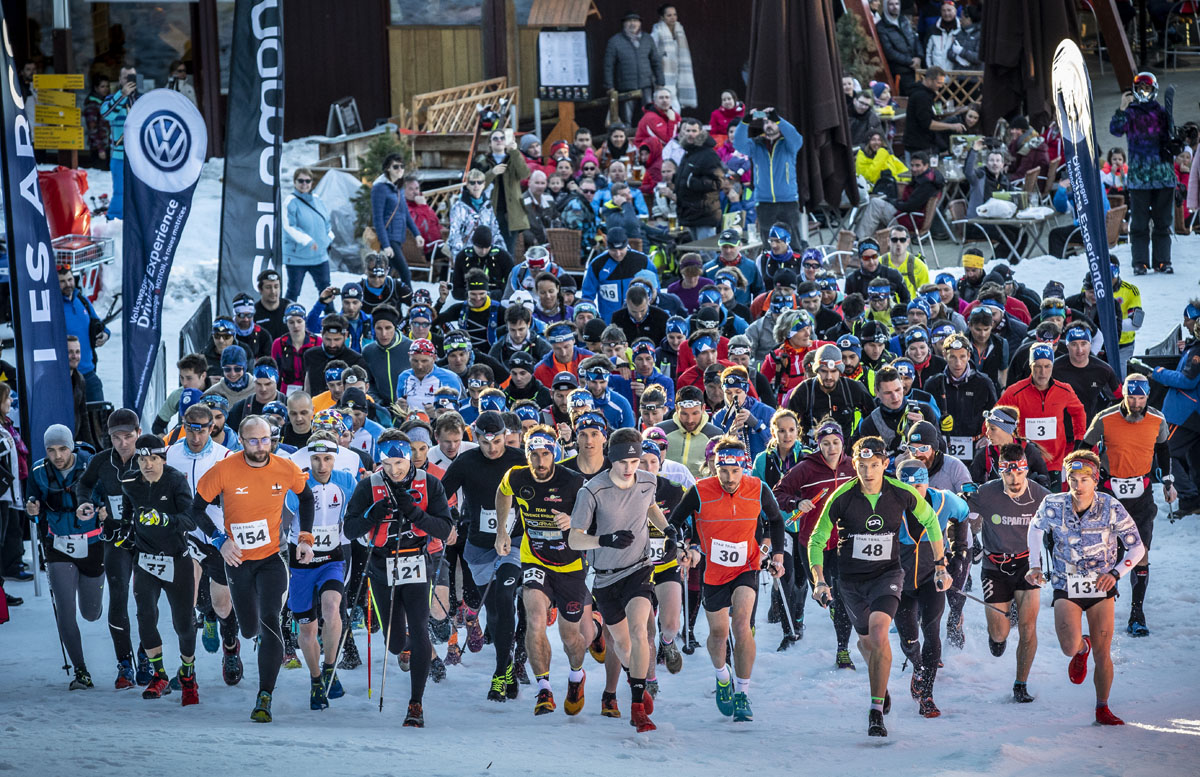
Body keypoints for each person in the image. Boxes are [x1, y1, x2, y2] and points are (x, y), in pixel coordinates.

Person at [808, 436, 949, 737]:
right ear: (854, 465)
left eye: (874, 465)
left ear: (886, 464)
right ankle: (880, 686)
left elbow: (931, 522)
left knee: (879, 630)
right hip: (851, 581)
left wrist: (940, 561)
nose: (868, 472)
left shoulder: (901, 492)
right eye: (862, 465)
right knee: (866, 643)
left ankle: (875, 711)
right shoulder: (842, 496)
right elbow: (817, 539)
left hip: (887, 575)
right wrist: (819, 579)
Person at [191, 415, 315, 723]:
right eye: (253, 441)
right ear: (241, 441)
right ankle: (238, 634)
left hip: (273, 558)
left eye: (265, 440)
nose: (260, 447)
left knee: (270, 619)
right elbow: (195, 509)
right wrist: (220, 540)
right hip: (237, 560)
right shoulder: (223, 470)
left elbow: (306, 497)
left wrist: (305, 538)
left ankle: (265, 695)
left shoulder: (284, 467)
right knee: (250, 629)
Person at [1026, 450, 1144, 726]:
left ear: (1096, 480)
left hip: (1101, 585)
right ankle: (1081, 649)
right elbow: (1034, 530)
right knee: (1068, 646)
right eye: (1072, 479)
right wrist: (1034, 565)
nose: (1078, 486)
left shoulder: (1111, 506)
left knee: (1104, 652)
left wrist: (1116, 573)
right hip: (1066, 583)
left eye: (1084, 479)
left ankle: (1102, 707)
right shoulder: (1053, 504)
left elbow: (1137, 546)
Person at [342, 430, 452, 727]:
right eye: (388, 465)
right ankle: (403, 647)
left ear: (410, 458)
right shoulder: (369, 486)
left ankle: (415, 703)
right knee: (393, 641)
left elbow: (444, 529)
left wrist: (414, 513)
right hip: (381, 564)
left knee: (419, 629)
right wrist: (370, 516)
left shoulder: (430, 484)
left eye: (400, 464)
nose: (394, 471)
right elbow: (350, 529)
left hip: (417, 562)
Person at [674, 437, 785, 722]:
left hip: (746, 567)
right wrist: (683, 548)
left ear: (744, 468)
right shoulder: (699, 491)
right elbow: (675, 522)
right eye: (723, 471)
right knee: (718, 635)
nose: (729, 478)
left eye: (736, 471)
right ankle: (723, 677)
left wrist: (777, 555)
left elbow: (776, 520)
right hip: (714, 572)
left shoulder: (758, 488)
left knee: (742, 625)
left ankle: (742, 692)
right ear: (714, 466)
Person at [568, 427, 670, 732]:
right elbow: (574, 539)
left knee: (641, 629)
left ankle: (637, 704)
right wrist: (605, 540)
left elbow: (649, 506)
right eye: (623, 462)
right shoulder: (592, 492)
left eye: (635, 462)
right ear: (611, 460)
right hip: (605, 578)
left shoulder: (648, 481)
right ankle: (633, 676)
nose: (629, 469)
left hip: (639, 568)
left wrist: (669, 530)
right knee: (624, 646)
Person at [494, 426, 593, 715]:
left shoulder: (574, 481)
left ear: (555, 453)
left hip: (570, 564)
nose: (539, 462)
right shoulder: (516, 476)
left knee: (570, 636)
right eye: (533, 455)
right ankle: (544, 690)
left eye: (545, 455)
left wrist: (574, 521)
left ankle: (576, 675)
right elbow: (503, 494)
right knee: (535, 620)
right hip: (534, 558)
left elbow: (595, 517)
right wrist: (502, 529)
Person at [439, 412, 527, 700]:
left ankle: (501, 672)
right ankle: (509, 662)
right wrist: (446, 523)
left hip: (513, 543)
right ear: (475, 438)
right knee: (496, 612)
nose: (492, 448)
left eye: (498, 441)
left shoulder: (520, 458)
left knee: (505, 598)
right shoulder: (466, 462)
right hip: (478, 548)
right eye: (485, 442)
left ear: (505, 436)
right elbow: (439, 496)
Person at [1082, 373, 1174, 636]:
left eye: (1140, 397)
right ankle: (1100, 606)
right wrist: (1083, 481)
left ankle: (1137, 612)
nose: (1135, 403)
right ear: (1123, 395)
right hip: (1109, 492)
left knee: (1140, 551)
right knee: (1107, 551)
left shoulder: (1157, 419)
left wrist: (1168, 482)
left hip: (1142, 493)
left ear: (1147, 396)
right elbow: (1085, 447)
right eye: (1131, 397)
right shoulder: (1105, 418)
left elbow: (1164, 449)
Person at [964, 443, 1051, 703]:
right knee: (999, 634)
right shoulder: (985, 493)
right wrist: (969, 543)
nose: (1014, 480)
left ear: (1026, 470)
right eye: (1008, 474)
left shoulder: (1041, 496)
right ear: (1000, 471)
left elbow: (1060, 527)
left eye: (1020, 473)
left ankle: (1020, 684)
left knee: (1028, 627)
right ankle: (1000, 630)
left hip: (1027, 566)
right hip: (994, 566)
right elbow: (963, 519)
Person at [774, 419, 857, 668]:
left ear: (842, 443)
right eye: (825, 443)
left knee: (843, 595)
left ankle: (843, 649)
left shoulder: (853, 466)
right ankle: (814, 607)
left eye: (836, 443)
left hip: (844, 541)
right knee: (822, 595)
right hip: (812, 542)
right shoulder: (806, 468)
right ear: (818, 445)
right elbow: (778, 493)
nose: (831, 448)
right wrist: (796, 503)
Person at [120, 435, 197, 702]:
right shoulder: (129, 481)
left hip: (177, 560)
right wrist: (123, 531)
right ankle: (160, 674)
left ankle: (188, 674)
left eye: (153, 458)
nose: (148, 464)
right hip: (145, 560)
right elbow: (127, 510)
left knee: (184, 623)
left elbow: (191, 520)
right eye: (142, 459)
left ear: (163, 458)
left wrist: (165, 519)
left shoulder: (176, 480)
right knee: (145, 616)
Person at [893, 459, 968, 718]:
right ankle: (918, 667)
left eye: (920, 485)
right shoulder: (889, 501)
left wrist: (959, 552)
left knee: (931, 631)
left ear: (928, 482)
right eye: (908, 486)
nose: (915, 491)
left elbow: (964, 514)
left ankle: (927, 694)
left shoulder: (944, 499)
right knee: (909, 639)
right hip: (899, 581)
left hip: (930, 577)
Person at [73, 409, 143, 688]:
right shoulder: (101, 462)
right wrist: (83, 503)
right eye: (116, 437)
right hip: (115, 538)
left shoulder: (149, 458)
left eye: (128, 436)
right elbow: (84, 484)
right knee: (118, 597)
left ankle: (147, 656)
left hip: (147, 540)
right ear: (109, 438)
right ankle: (124, 663)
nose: (123, 443)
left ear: (138, 433)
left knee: (145, 600)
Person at [27, 425, 98, 689]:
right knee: (65, 613)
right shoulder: (38, 471)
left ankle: (93, 606)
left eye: (63, 448)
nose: (57, 456)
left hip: (92, 544)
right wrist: (31, 508)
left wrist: (98, 511)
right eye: (51, 450)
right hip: (57, 545)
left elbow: (104, 501)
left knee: (91, 613)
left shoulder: (91, 465)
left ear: (72, 447)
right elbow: (32, 506)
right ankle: (81, 671)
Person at [997, 344, 1087, 486]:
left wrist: (1079, 440)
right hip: (1023, 461)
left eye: (1047, 366)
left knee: (1053, 504)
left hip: (1054, 462)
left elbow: (1079, 412)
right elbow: (996, 416)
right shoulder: (1015, 392)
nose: (1042, 372)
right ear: (1030, 366)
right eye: (1038, 366)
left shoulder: (1064, 390)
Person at [731, 107, 804, 246]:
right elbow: (738, 144)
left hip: (787, 200)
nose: (768, 125)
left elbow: (796, 138)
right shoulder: (756, 145)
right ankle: (770, 267)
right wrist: (745, 122)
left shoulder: (788, 144)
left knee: (793, 240)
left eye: (772, 122)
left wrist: (779, 119)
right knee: (768, 242)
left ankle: (794, 266)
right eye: (765, 123)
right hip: (764, 201)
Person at [924, 331, 997, 462]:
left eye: (962, 357)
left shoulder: (984, 383)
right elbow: (926, 417)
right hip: (943, 445)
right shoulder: (932, 384)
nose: (958, 363)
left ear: (969, 355)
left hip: (976, 445)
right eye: (952, 357)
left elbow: (994, 414)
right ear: (944, 355)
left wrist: (988, 437)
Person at [853, 152, 945, 239]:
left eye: (917, 166)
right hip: (911, 217)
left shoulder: (926, 184)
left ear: (926, 166)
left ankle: (859, 240)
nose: (913, 169)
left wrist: (892, 201)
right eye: (912, 165)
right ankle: (870, 241)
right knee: (875, 205)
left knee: (875, 203)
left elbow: (909, 206)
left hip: (910, 221)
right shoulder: (929, 178)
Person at [371, 153, 424, 287]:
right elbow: (378, 219)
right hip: (389, 238)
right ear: (388, 168)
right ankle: (410, 302)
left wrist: (416, 233)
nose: (400, 169)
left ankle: (392, 303)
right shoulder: (380, 188)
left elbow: (405, 213)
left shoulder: (398, 187)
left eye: (402, 166)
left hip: (398, 237)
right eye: (396, 167)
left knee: (389, 276)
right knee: (405, 272)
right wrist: (386, 244)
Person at [473, 130, 531, 252]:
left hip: (511, 212)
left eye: (502, 138)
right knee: (487, 248)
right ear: (490, 143)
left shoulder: (513, 157)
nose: (499, 140)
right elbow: (475, 184)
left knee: (508, 250)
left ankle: (506, 271)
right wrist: (492, 173)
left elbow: (524, 174)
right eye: (495, 138)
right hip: (490, 210)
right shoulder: (482, 161)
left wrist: (514, 152)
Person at [60, 264, 110, 402]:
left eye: (69, 279)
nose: (67, 284)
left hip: (89, 373)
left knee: (98, 418)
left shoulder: (82, 301)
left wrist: (104, 335)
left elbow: (101, 326)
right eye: (62, 281)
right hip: (66, 378)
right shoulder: (53, 306)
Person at [604, 12, 663, 127]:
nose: (633, 24)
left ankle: (648, 141)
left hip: (646, 85)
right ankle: (626, 143)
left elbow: (656, 61)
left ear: (640, 23)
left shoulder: (647, 39)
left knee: (649, 115)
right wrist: (609, 86)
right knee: (626, 119)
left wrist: (660, 81)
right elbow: (608, 66)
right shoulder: (615, 41)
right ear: (624, 24)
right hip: (626, 86)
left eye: (636, 21)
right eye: (629, 21)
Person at [283, 168, 333, 302]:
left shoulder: (317, 199)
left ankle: (332, 319)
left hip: (319, 256)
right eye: (300, 181)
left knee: (326, 289)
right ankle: (285, 318)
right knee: (294, 291)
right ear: (294, 182)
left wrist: (328, 238)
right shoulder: (290, 201)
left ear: (312, 182)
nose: (304, 184)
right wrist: (308, 241)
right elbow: (289, 226)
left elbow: (326, 221)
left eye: (307, 181)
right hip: (297, 257)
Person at [581, 226, 651, 320]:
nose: (618, 254)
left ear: (627, 245)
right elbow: (587, 296)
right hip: (609, 321)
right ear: (607, 247)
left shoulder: (642, 261)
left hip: (638, 319)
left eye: (621, 249)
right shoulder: (597, 264)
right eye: (613, 250)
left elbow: (655, 289)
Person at [675, 119, 724, 241]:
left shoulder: (709, 154)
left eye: (694, 131)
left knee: (707, 254)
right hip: (688, 214)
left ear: (700, 133)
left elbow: (718, 182)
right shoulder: (688, 153)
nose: (691, 134)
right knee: (694, 255)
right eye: (688, 130)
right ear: (683, 133)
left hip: (705, 215)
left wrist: (692, 183)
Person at [100, 64, 138, 220]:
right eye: (125, 77)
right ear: (120, 80)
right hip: (119, 156)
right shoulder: (112, 99)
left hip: (139, 156)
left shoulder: (143, 100)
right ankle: (114, 221)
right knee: (120, 191)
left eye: (132, 77)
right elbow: (106, 114)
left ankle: (135, 220)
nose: (128, 80)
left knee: (139, 191)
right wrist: (122, 95)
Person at [902, 67, 965, 156]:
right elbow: (928, 123)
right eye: (939, 83)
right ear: (929, 80)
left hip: (919, 142)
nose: (941, 86)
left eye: (942, 83)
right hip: (918, 144)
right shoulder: (921, 96)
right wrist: (952, 126)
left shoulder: (925, 93)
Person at [651, 5, 696, 111]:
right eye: (669, 15)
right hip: (664, 72)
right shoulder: (657, 31)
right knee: (669, 100)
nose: (673, 18)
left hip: (678, 70)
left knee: (675, 100)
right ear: (662, 17)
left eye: (674, 14)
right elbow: (653, 53)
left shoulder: (679, 29)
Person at [877, 0, 922, 96]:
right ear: (885, 6)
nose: (895, 7)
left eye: (897, 4)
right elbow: (889, 52)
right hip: (901, 72)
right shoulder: (881, 26)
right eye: (891, 4)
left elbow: (915, 38)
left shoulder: (904, 20)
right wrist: (910, 61)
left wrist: (919, 57)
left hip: (916, 69)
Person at [82, 74, 111, 170]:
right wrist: (100, 148)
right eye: (102, 86)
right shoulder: (92, 104)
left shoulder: (105, 101)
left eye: (107, 86)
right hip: (99, 147)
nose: (105, 89)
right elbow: (92, 128)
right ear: (96, 88)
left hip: (107, 145)